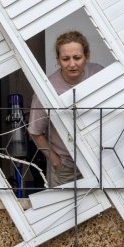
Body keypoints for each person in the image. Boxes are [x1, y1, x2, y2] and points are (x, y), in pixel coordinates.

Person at [28, 31, 103, 187]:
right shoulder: (47, 90)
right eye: (65, 59)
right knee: (67, 211)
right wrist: (57, 163)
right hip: (67, 168)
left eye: (77, 57)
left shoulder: (98, 74)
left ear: (87, 56)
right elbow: (35, 132)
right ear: (58, 60)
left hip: (101, 161)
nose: (72, 64)